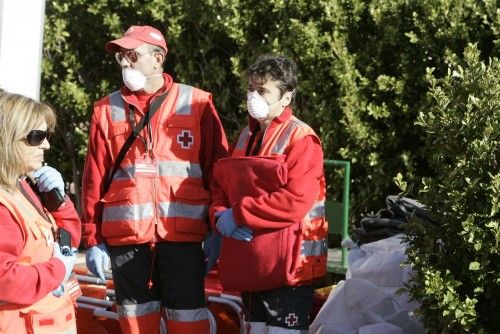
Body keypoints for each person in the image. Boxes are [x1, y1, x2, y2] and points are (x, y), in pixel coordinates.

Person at [81, 25, 228, 334]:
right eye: (121, 56)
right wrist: (92, 239)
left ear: (158, 59)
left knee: (188, 322)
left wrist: (218, 229)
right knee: (135, 324)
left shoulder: (196, 103)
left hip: (184, 240)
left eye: (132, 55)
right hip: (128, 239)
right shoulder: (106, 109)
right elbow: (94, 178)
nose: (124, 63)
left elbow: (219, 171)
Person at [209, 55, 327, 334]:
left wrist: (237, 214)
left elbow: (295, 200)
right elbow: (221, 185)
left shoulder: (302, 138)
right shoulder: (245, 137)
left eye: (262, 91)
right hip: (254, 265)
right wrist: (218, 215)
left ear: (286, 98)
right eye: (251, 88)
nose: (254, 96)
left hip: (290, 269)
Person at [0, 90, 81, 334]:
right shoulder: (4, 204)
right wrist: (57, 269)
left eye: (47, 136)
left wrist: (59, 203)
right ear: (7, 138)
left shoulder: (22, 188)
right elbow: (5, 279)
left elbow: (68, 240)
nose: (46, 144)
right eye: (37, 137)